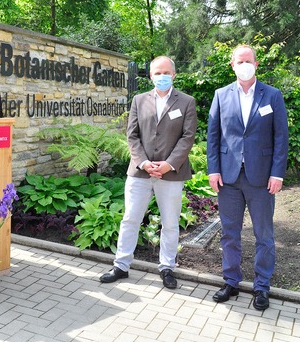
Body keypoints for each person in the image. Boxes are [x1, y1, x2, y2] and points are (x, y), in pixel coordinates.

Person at [99, 56, 197, 289]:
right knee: (130, 218)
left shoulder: (186, 102)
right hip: (140, 173)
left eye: (166, 72)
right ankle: (121, 266)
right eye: (157, 73)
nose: (161, 76)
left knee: (170, 223)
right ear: (150, 75)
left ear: (174, 74)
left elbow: (188, 137)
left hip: (170, 174)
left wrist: (169, 164)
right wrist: (143, 162)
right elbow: (132, 135)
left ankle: (166, 267)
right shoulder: (139, 100)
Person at [206, 44, 288, 311]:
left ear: (256, 64)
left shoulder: (272, 95)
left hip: (262, 178)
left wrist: (277, 173)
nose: (244, 65)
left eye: (248, 60)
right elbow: (214, 136)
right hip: (228, 177)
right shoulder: (220, 95)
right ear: (232, 65)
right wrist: (213, 169)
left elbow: (280, 138)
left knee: (264, 234)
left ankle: (261, 286)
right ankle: (231, 281)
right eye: (239, 61)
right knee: (230, 233)